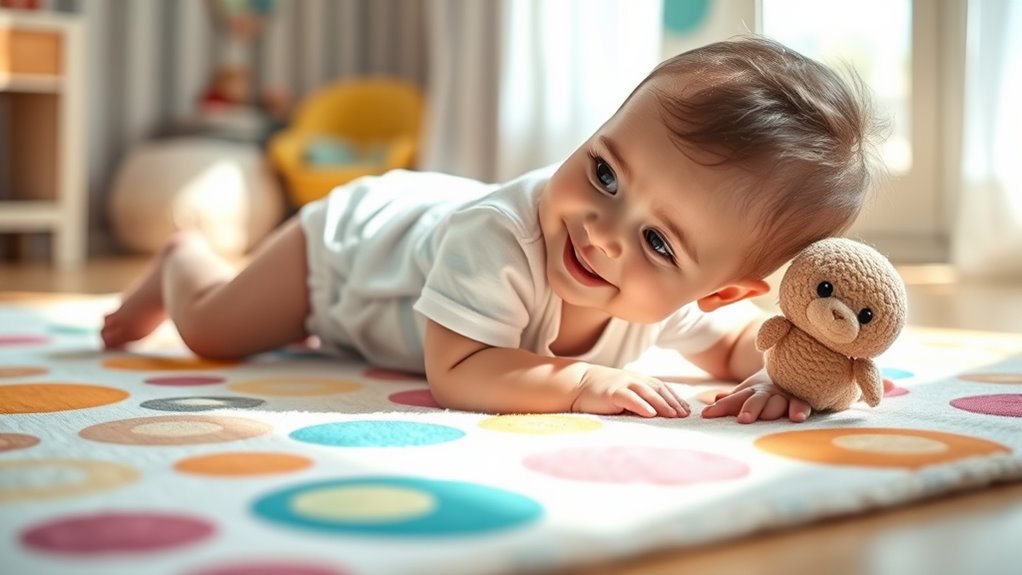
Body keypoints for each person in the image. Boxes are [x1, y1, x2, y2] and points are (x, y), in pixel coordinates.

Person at [102, 36, 886, 423]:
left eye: (658, 242)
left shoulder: (674, 300)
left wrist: (781, 369)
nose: (604, 230)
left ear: (716, 290)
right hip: (340, 253)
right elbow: (459, 370)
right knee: (211, 330)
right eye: (606, 172)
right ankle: (184, 257)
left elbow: (730, 343)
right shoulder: (501, 239)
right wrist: (582, 381)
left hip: (404, 233)